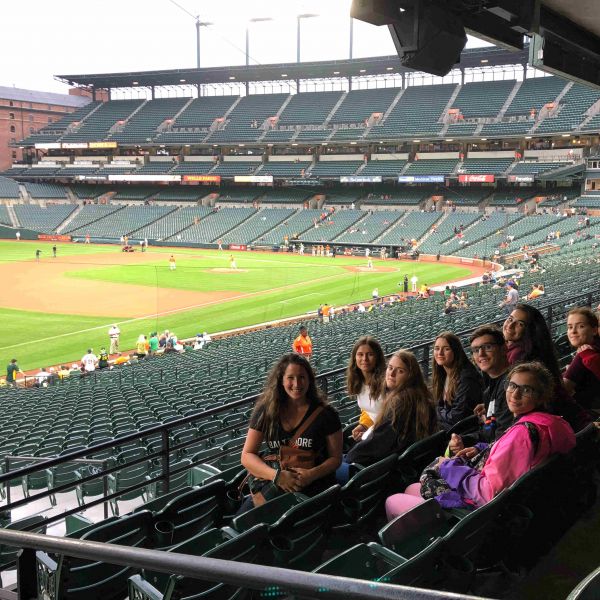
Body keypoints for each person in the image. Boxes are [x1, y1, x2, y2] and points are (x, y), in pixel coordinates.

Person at [385, 362, 576, 519]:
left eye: (526, 390)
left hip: (476, 513)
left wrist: (449, 467)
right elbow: (510, 455)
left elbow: (487, 492)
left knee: (392, 500)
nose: (515, 394)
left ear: (541, 396)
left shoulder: (522, 435)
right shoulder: (547, 423)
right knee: (412, 488)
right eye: (512, 385)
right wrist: (481, 449)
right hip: (506, 502)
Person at [240, 354, 342, 512]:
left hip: (315, 484)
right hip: (276, 481)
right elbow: (247, 455)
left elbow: (336, 459)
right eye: (290, 378)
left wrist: (311, 475)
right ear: (281, 380)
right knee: (243, 521)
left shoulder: (326, 414)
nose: (297, 384)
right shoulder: (265, 411)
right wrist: (277, 476)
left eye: (302, 377)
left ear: (309, 380)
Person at [337, 350, 437, 483]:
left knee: (329, 466)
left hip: (379, 473)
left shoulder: (401, 403)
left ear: (411, 376)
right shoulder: (418, 395)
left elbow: (378, 444)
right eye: (390, 368)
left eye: (400, 371)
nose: (392, 373)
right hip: (398, 464)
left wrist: (349, 457)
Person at [503, 304, 592, 430]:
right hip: (573, 419)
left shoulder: (520, 355)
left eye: (520, 324)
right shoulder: (535, 348)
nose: (510, 325)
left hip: (563, 425)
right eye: (510, 319)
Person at [431, 332, 482, 431]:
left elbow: (457, 417)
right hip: (448, 428)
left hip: (465, 432)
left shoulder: (467, 378)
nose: (440, 353)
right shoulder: (442, 374)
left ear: (456, 351)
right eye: (437, 348)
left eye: (446, 349)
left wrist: (437, 412)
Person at [346, 336, 387, 442]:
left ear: (377, 357)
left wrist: (370, 431)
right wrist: (363, 425)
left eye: (370, 354)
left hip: (387, 433)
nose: (365, 359)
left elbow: (391, 416)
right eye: (360, 354)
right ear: (355, 358)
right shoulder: (358, 382)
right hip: (375, 431)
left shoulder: (387, 382)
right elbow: (370, 411)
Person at [563, 307, 600, 410]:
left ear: (594, 330)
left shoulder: (586, 352)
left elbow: (563, 388)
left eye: (581, 326)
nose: (573, 331)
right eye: (570, 327)